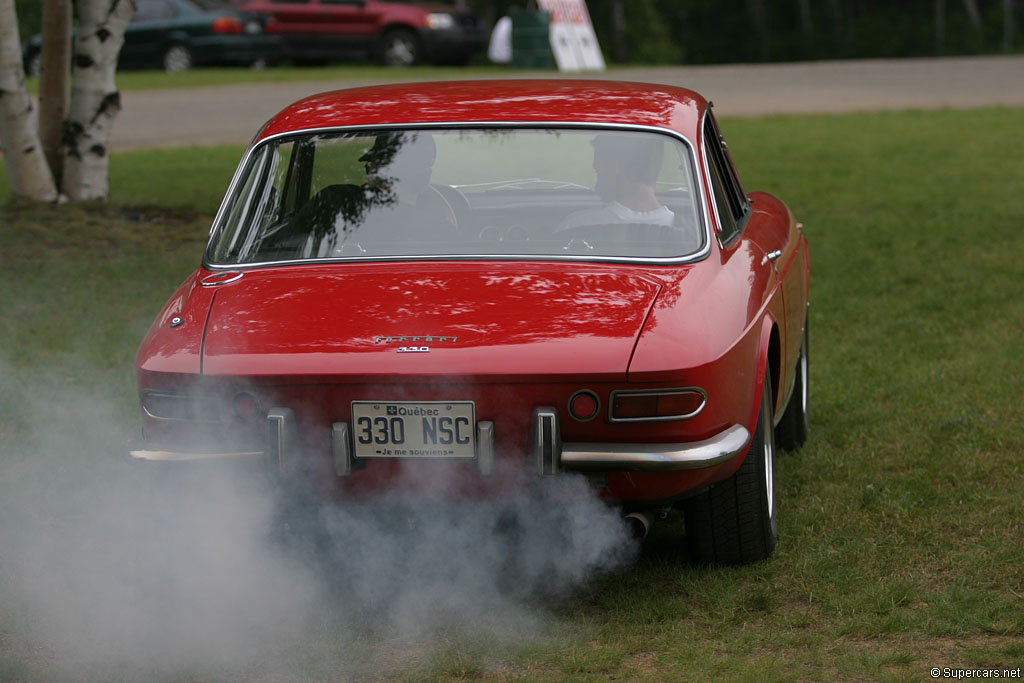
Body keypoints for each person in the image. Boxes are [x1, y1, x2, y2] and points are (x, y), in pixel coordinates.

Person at [558, 134, 675, 231]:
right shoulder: (688, 235)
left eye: (598, 172)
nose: (596, 187)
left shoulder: (576, 226)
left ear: (614, 167)